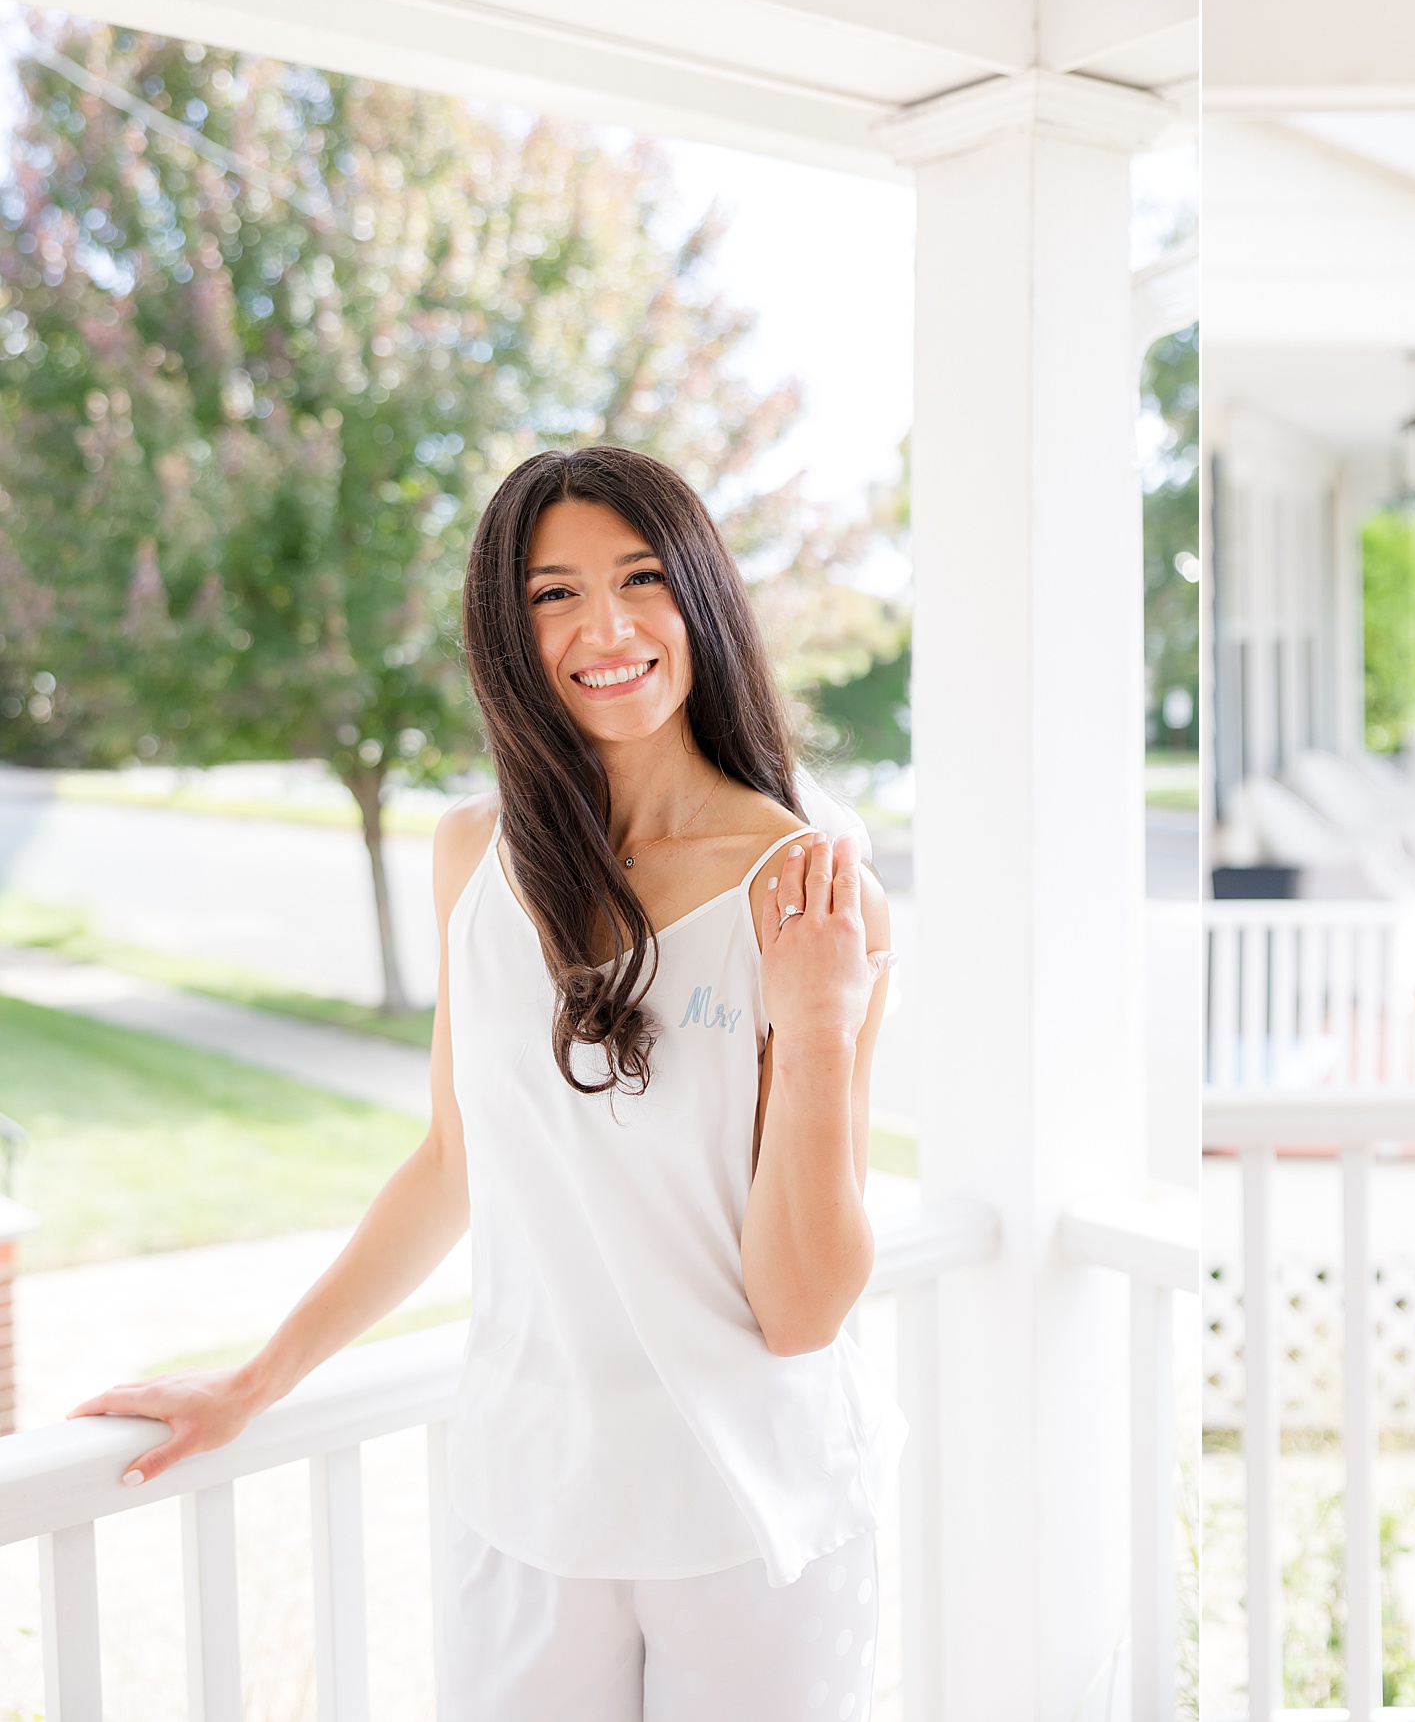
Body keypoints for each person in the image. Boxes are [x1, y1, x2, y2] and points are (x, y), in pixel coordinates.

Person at [71, 444, 903, 1721]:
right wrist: (253, 1379)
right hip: (529, 1500)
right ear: (508, 633)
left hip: (750, 1506)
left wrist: (822, 1027)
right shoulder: (475, 853)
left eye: (639, 578)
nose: (605, 626)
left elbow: (799, 1310)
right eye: (552, 593)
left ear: (702, 597)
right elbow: (455, 1164)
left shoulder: (807, 882)